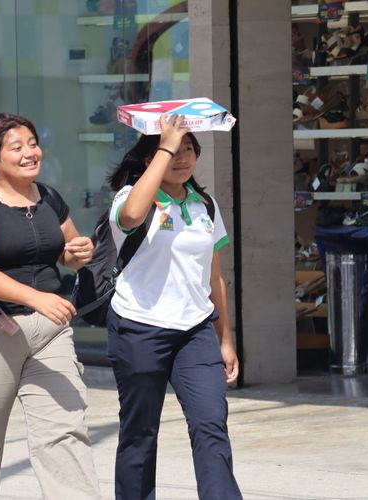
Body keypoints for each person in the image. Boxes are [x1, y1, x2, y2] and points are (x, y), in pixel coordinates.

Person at [0, 113, 101, 500]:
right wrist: (34, 297)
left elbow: (67, 253)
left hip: (49, 335)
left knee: (64, 433)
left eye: (33, 143)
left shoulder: (48, 197)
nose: (30, 152)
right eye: (17, 147)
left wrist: (78, 252)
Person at [106, 114, 242, 499]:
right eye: (170, 151)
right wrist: (164, 145)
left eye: (188, 149)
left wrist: (225, 339)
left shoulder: (205, 205)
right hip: (139, 328)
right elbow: (131, 216)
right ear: (150, 158)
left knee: (211, 424)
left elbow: (214, 277)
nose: (181, 158)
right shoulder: (130, 198)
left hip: (195, 331)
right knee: (140, 432)